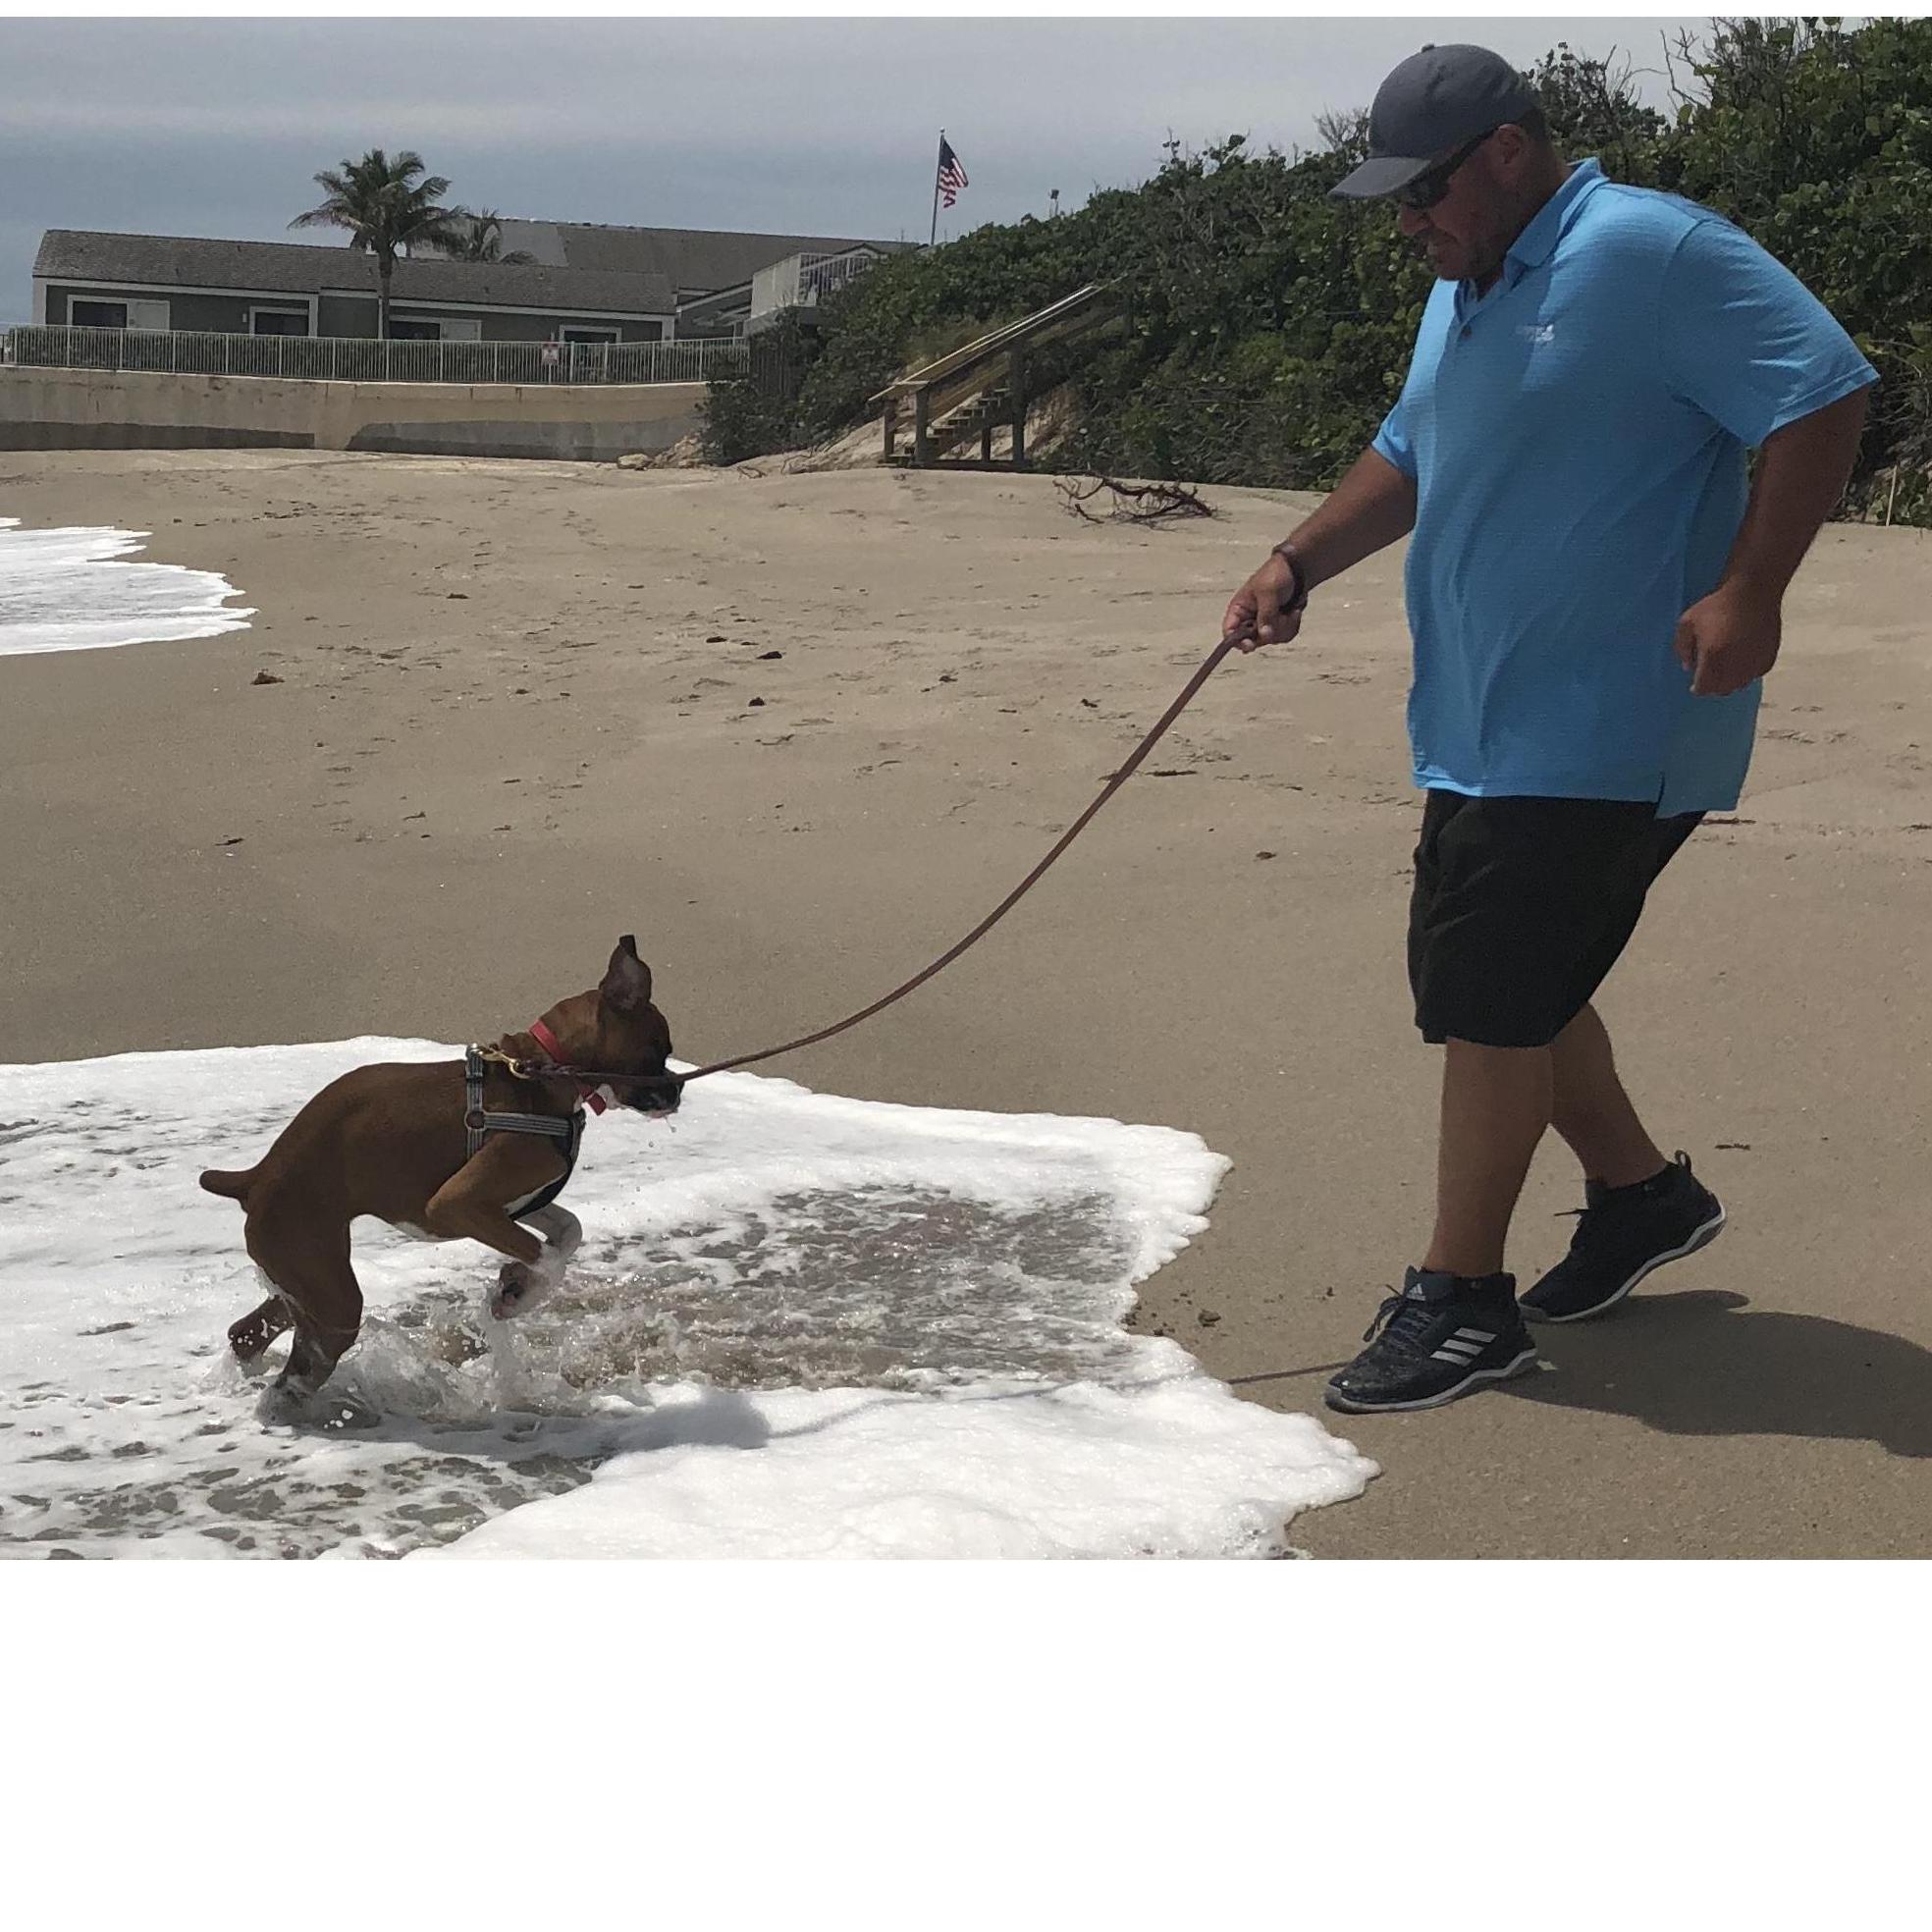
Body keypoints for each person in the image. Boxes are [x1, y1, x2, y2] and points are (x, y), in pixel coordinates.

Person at [1222, 43, 1878, 1416]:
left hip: (1617, 719)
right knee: (1496, 980)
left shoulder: (1650, 251)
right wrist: (1297, 561)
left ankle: (1462, 1301)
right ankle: (1640, 1198)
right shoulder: (1468, 286)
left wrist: (1752, 591)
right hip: (1479, 717)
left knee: (1495, 992)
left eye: (1430, 191)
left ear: (1509, 153)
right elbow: (1409, 450)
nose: (1411, 221)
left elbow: (1822, 391)